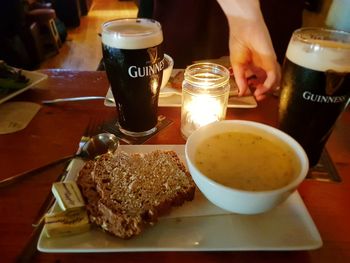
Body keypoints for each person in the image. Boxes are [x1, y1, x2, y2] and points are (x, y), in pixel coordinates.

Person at [136, 0, 304, 101]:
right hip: (184, 11)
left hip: (271, 12)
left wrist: (246, 20)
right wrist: (245, 18)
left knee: (263, 81)